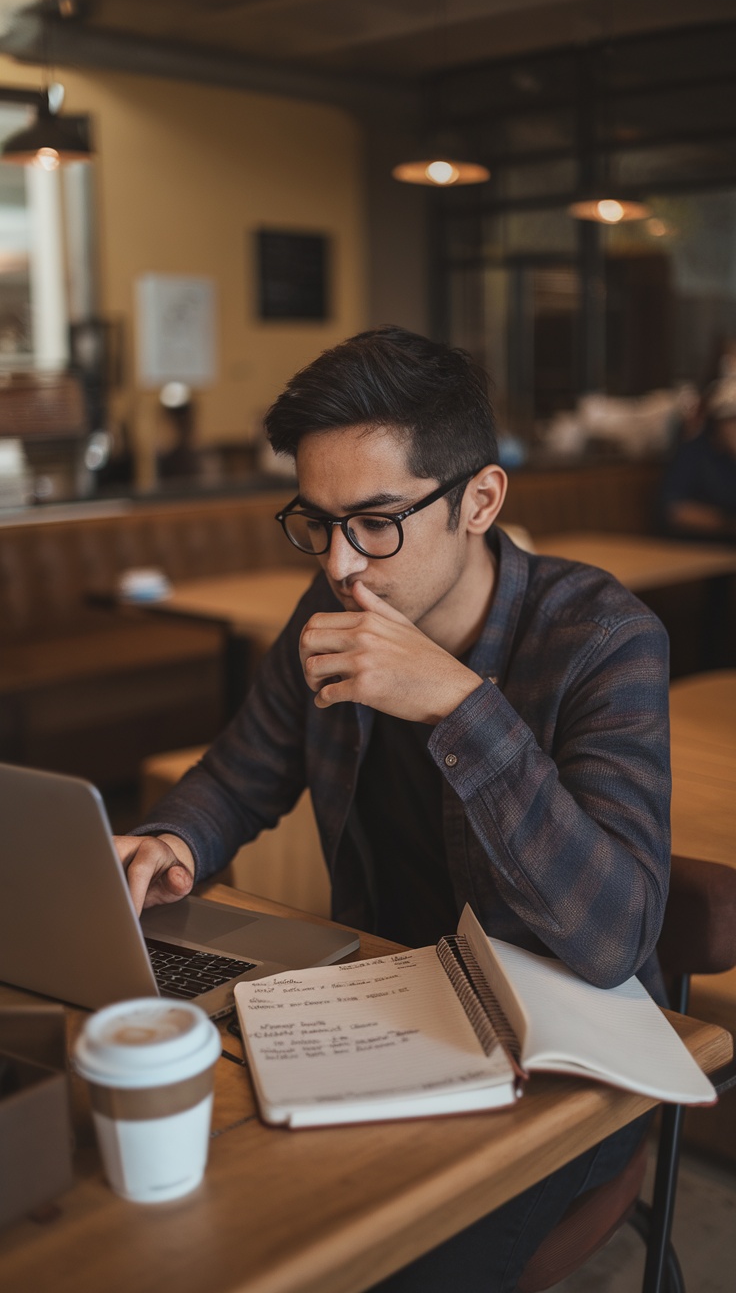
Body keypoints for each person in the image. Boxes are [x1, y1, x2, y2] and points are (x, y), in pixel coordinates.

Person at [115, 327, 670, 1291]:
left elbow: (612, 933)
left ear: (480, 501)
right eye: (316, 522)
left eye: (375, 520)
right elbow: (243, 774)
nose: (339, 564)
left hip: (564, 1064)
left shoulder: (605, 638)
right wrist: (172, 837)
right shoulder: (327, 615)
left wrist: (460, 703)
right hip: (387, 1012)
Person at [660, 376, 736, 543]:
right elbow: (675, 511)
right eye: (732, 420)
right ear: (716, 423)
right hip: (703, 546)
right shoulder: (694, 452)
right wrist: (726, 523)